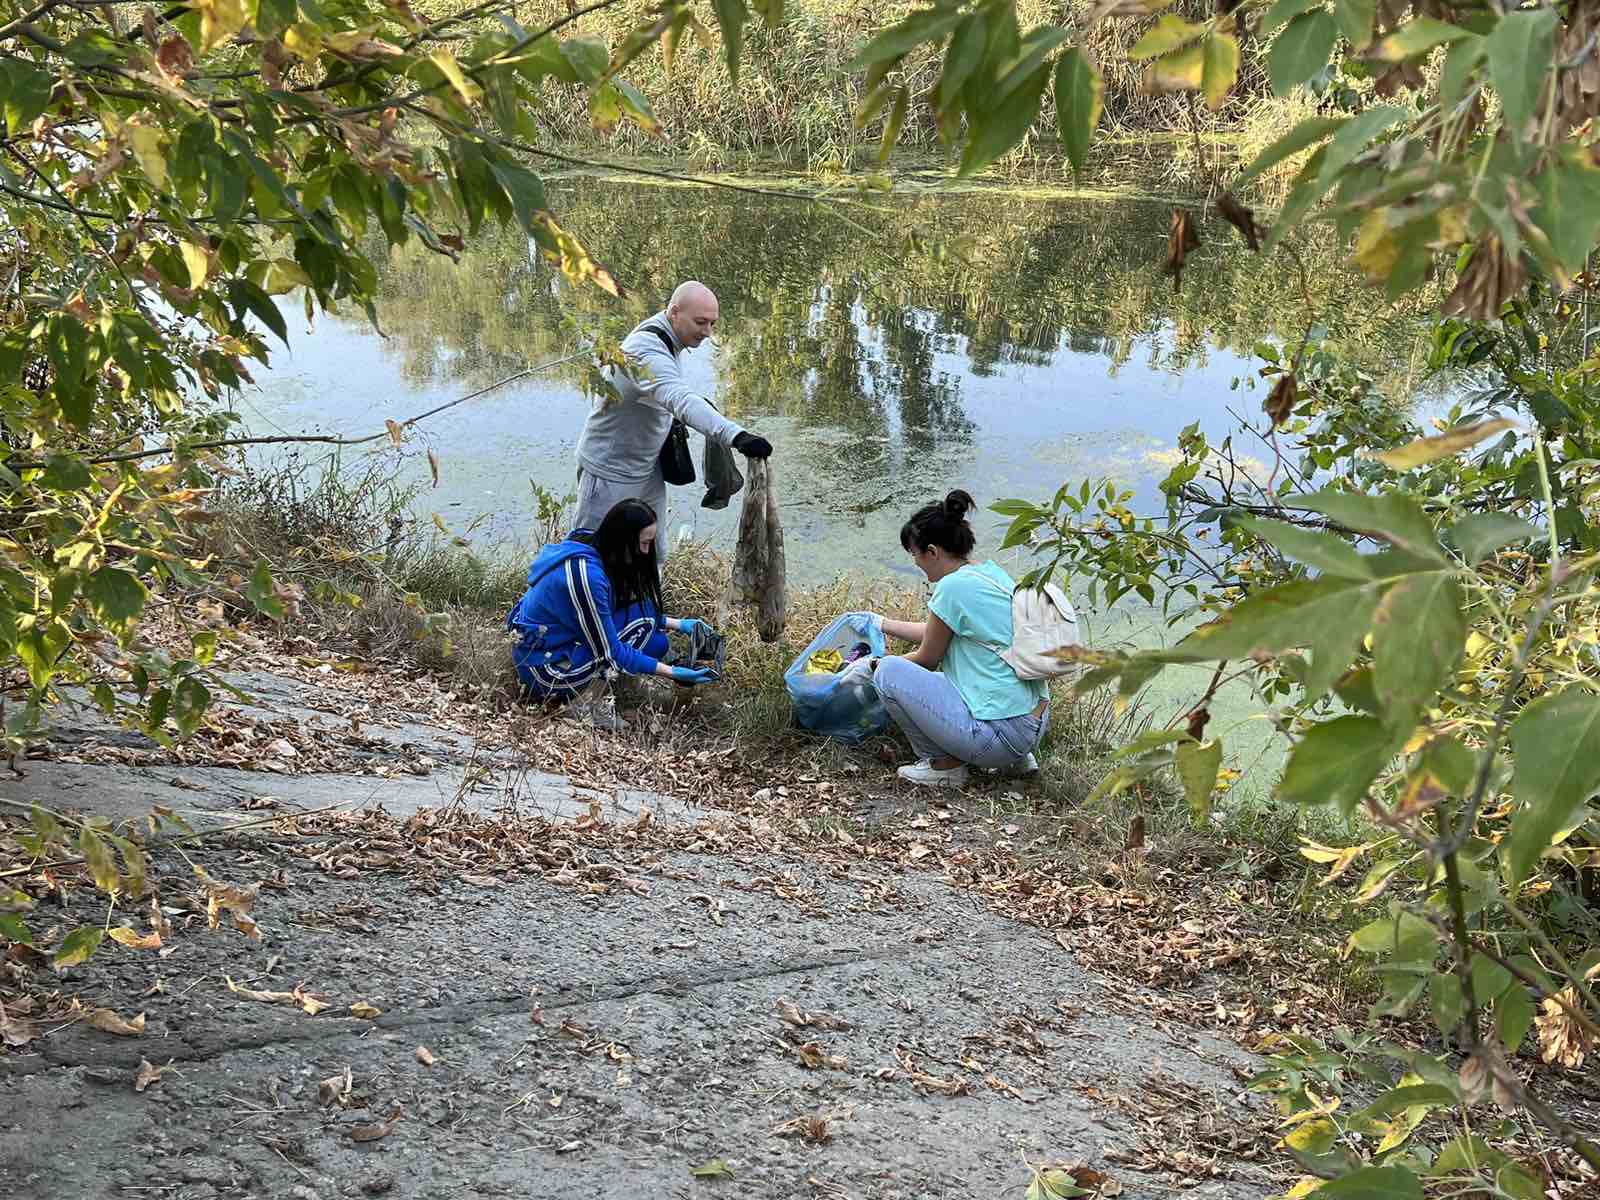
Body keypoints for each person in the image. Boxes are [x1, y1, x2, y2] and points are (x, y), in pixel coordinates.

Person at [575, 281, 774, 564]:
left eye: (712, 324)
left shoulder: (670, 336)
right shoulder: (644, 351)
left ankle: (648, 607)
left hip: (646, 469)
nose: (707, 333)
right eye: (700, 322)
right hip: (609, 472)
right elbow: (679, 399)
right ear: (674, 312)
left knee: (652, 556)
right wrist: (736, 436)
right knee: (593, 558)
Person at [866, 490, 1048, 789]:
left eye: (915, 554)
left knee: (888, 674)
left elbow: (927, 657)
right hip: (1033, 723)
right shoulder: (989, 573)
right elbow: (941, 632)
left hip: (1000, 737)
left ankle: (944, 767)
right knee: (959, 674)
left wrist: (872, 665)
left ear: (933, 552)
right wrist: (883, 624)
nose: (916, 563)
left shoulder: (950, 588)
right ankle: (1017, 761)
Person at [506, 498, 716, 730]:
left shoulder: (591, 542)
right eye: (644, 543)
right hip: (545, 668)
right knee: (643, 627)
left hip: (555, 642)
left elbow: (613, 608)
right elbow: (610, 652)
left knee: (655, 639)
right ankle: (587, 706)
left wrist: (680, 624)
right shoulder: (587, 577)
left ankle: (612, 684)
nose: (647, 551)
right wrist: (672, 672)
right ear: (623, 540)